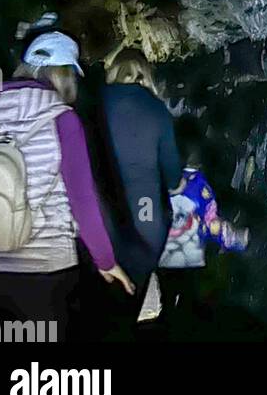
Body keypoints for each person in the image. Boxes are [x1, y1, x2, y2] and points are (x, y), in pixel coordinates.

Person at [0, 30, 133, 339]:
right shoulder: (63, 119)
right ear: (66, 76)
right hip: (42, 271)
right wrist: (105, 260)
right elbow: (82, 199)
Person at [92, 47, 183, 338]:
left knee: (96, 307)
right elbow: (173, 178)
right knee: (126, 309)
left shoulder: (95, 103)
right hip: (146, 222)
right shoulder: (157, 110)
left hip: (102, 219)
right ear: (146, 75)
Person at [157, 146, 249, 338]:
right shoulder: (200, 185)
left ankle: (166, 324)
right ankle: (182, 329)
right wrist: (234, 239)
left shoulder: (163, 178)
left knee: (167, 295)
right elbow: (212, 223)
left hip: (164, 253)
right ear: (200, 163)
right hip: (190, 256)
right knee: (188, 298)